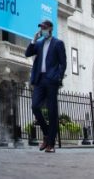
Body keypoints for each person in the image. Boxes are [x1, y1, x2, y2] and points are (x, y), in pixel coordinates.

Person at [25, 18, 67, 152]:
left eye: (44, 28)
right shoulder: (39, 43)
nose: (42, 30)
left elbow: (63, 63)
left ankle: (51, 144)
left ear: (50, 29)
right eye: (41, 28)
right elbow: (27, 53)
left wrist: (58, 77)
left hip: (51, 80)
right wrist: (33, 40)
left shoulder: (58, 43)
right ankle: (47, 133)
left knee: (52, 111)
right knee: (35, 106)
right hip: (39, 79)